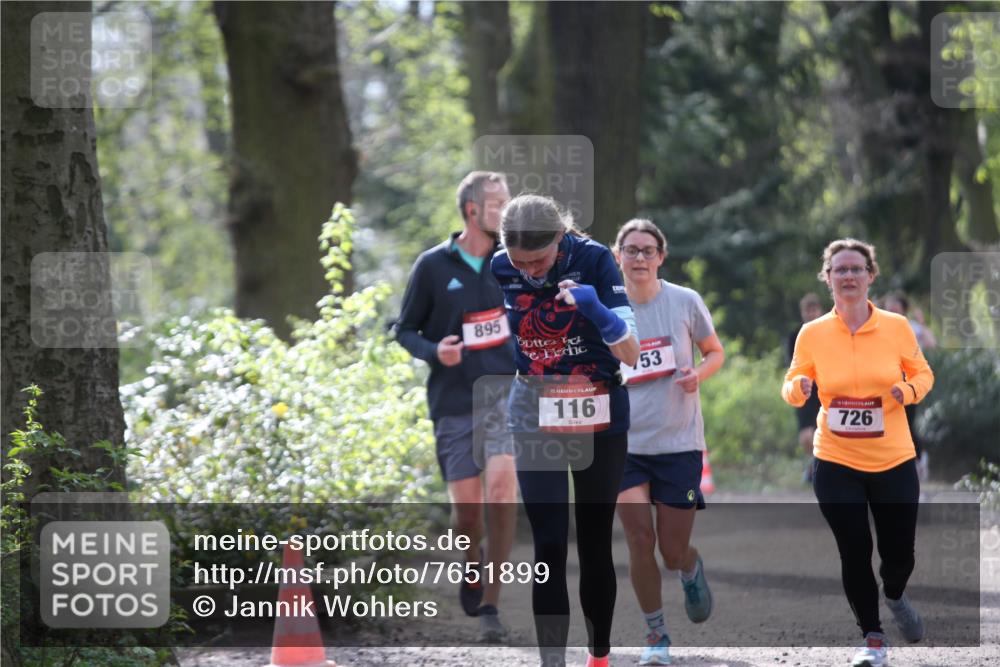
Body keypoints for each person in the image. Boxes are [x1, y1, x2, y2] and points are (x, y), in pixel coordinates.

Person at [491, 194, 639, 667]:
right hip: (534, 408)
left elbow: (632, 352)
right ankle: (552, 661)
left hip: (599, 408)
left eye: (539, 259)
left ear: (561, 237)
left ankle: (599, 656)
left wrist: (596, 308)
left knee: (594, 540)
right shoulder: (500, 267)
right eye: (521, 263)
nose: (531, 271)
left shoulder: (595, 259)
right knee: (549, 542)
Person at [781, 239, 934, 667]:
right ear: (827, 278)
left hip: (893, 458)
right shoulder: (811, 333)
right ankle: (872, 638)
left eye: (856, 268)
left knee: (899, 552)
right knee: (854, 547)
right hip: (834, 458)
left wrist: (906, 390)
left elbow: (924, 373)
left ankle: (897, 594)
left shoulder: (896, 326)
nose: (848, 275)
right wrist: (799, 390)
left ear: (871, 275)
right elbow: (791, 382)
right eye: (839, 269)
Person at [395, 171, 518, 641]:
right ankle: (472, 563)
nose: (507, 211)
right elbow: (404, 330)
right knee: (467, 513)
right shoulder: (432, 266)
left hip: (505, 395)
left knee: (503, 492)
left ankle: (491, 605)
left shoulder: (515, 262)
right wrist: (435, 351)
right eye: (499, 203)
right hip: (452, 399)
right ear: (472, 211)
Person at [611, 219, 725, 666]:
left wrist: (699, 373)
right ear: (617, 255)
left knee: (672, 551)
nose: (639, 258)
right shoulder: (605, 308)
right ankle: (656, 634)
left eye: (647, 250)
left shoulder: (684, 301)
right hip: (624, 445)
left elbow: (714, 351)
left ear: (661, 256)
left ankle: (691, 568)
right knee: (639, 540)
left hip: (679, 442)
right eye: (631, 250)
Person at [882, 291, 936, 482]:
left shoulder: (911, 327)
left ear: (903, 309)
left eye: (896, 308)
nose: (892, 311)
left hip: (909, 384)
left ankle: (919, 460)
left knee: (907, 424)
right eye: (889, 308)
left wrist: (921, 325)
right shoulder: (881, 326)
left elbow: (931, 343)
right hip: (886, 384)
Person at [788, 293, 825, 482]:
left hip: (825, 391)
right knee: (805, 436)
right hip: (804, 390)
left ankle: (820, 468)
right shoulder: (795, 335)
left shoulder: (829, 333)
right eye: (807, 310)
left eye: (814, 309)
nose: (811, 313)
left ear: (820, 311)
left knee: (824, 432)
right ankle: (813, 463)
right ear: (802, 313)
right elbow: (792, 366)